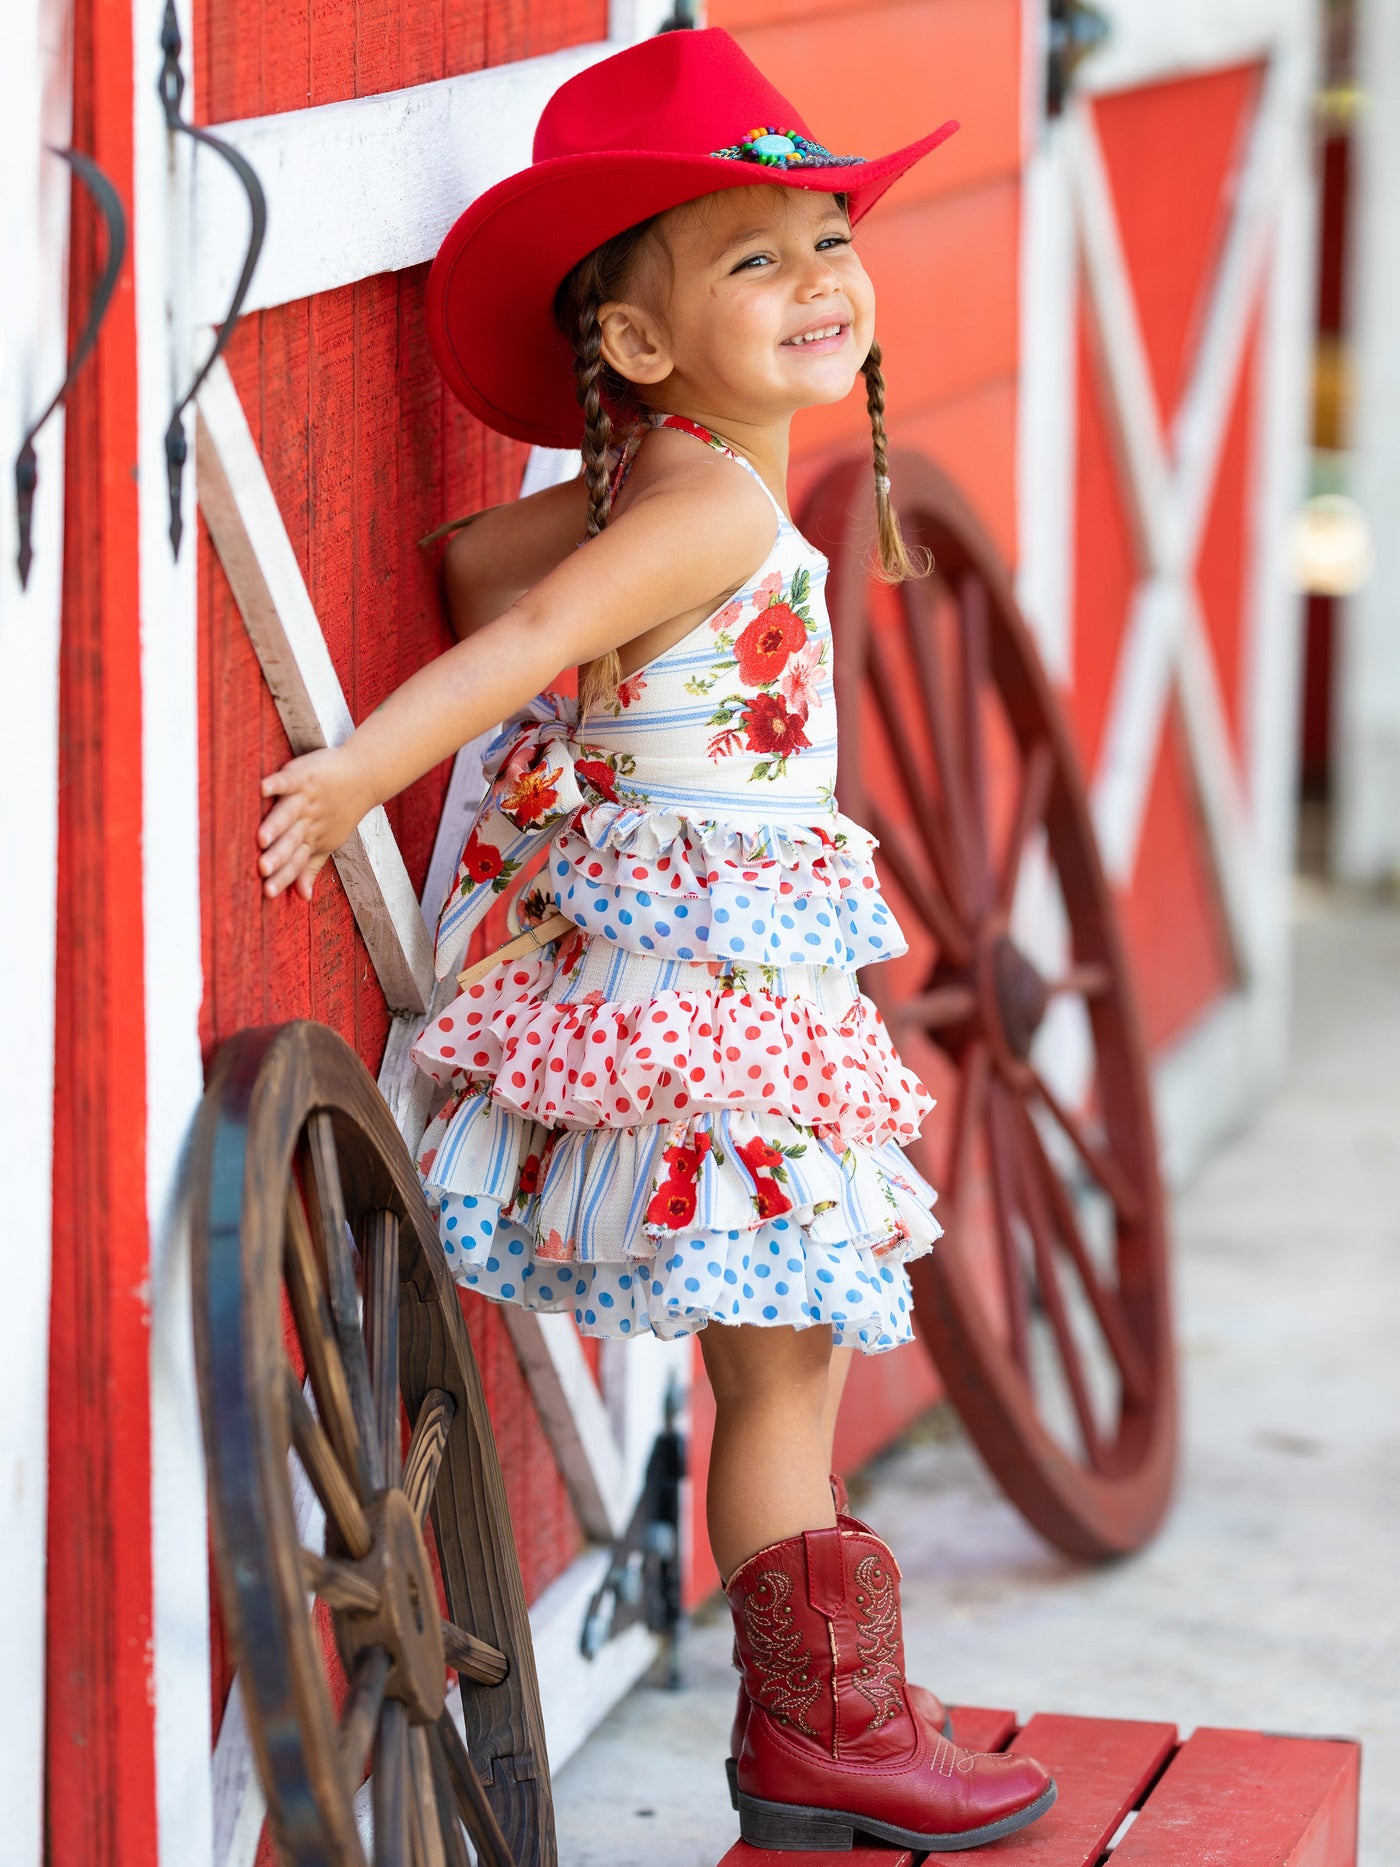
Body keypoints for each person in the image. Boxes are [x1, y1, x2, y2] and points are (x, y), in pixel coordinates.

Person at [255, 27, 1056, 1850]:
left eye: (823, 236)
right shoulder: (704, 510)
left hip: (705, 977)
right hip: (720, 1003)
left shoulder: (679, 490)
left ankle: (830, 1714)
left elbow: (478, 558)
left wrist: (614, 612)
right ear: (629, 341)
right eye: (751, 259)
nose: (816, 281)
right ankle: (824, 1732)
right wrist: (360, 766)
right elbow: (527, 638)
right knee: (786, 1371)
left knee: (788, 1356)